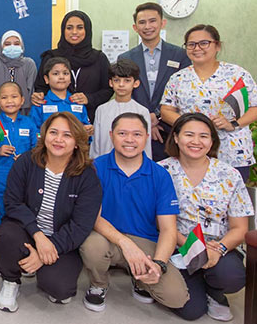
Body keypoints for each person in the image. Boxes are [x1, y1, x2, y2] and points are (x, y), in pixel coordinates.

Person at [80, 113, 188, 313]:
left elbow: (168, 229)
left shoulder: (160, 175)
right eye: (122, 133)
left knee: (176, 298)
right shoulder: (95, 168)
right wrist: (125, 243)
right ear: (111, 135)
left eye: (136, 134)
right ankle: (99, 283)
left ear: (147, 136)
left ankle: (140, 278)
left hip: (146, 243)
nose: (129, 140)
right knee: (92, 246)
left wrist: (159, 265)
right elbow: (93, 217)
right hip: (107, 238)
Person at [0, 112, 101, 312]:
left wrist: (45, 252)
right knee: (6, 236)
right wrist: (38, 235)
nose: (58, 139)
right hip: (28, 231)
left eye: (67, 135)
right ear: (44, 136)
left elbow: (81, 225)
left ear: (77, 142)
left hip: (61, 239)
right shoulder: (26, 161)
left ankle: (39, 266)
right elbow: (12, 202)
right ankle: (10, 282)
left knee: (60, 290)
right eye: (53, 132)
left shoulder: (87, 176)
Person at [159, 113, 253, 321]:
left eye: (203, 136)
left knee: (232, 277)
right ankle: (195, 283)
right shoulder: (161, 171)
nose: (196, 141)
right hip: (177, 246)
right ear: (175, 137)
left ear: (212, 141)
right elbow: (156, 222)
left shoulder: (229, 174)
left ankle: (214, 290)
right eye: (189, 135)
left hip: (219, 247)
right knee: (191, 311)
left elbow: (240, 228)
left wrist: (217, 249)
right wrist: (193, 247)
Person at [160, 24, 257, 182]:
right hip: (193, 150)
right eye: (191, 44)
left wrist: (234, 124)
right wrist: (190, 125)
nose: (197, 48)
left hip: (232, 150)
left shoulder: (237, 74)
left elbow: (254, 106)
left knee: (233, 200)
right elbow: (166, 110)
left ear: (217, 45)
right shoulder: (178, 78)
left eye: (204, 43)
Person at [0, 82, 38, 275]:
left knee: (24, 219)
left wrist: (27, 158)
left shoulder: (29, 124)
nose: (9, 101)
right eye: (4, 97)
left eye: (14, 97)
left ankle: (24, 254)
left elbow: (38, 149)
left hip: (25, 182)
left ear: (22, 100)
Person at [118, 2, 191, 161]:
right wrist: (146, 119)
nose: (147, 26)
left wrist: (156, 117)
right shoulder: (125, 58)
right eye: (142, 22)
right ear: (135, 27)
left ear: (162, 23)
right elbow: (124, 92)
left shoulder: (180, 55)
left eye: (152, 21)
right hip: (136, 129)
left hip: (171, 130)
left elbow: (183, 91)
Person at [32, 10, 112, 122]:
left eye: (80, 27)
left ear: (87, 30)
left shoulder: (99, 58)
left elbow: (108, 89)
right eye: (69, 28)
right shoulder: (51, 57)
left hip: (90, 120)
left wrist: (89, 99)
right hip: (55, 120)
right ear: (63, 30)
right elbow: (41, 86)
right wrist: (38, 95)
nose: (74, 32)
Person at [89, 59, 152, 159]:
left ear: (136, 83)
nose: (121, 85)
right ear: (111, 83)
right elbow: (96, 143)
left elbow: (146, 145)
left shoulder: (142, 111)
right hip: (105, 166)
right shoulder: (102, 110)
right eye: (117, 80)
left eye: (127, 81)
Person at [30, 57, 91, 134]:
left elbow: (86, 128)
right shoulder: (40, 104)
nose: (61, 77)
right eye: (56, 73)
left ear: (70, 79)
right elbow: (34, 132)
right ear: (46, 79)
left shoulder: (77, 102)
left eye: (65, 73)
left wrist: (88, 130)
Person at [0, 30, 36, 115]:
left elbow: (31, 90)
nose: (12, 47)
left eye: (17, 44)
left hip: (24, 113)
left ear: (22, 45)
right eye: (7, 44)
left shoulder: (29, 64)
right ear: (1, 46)